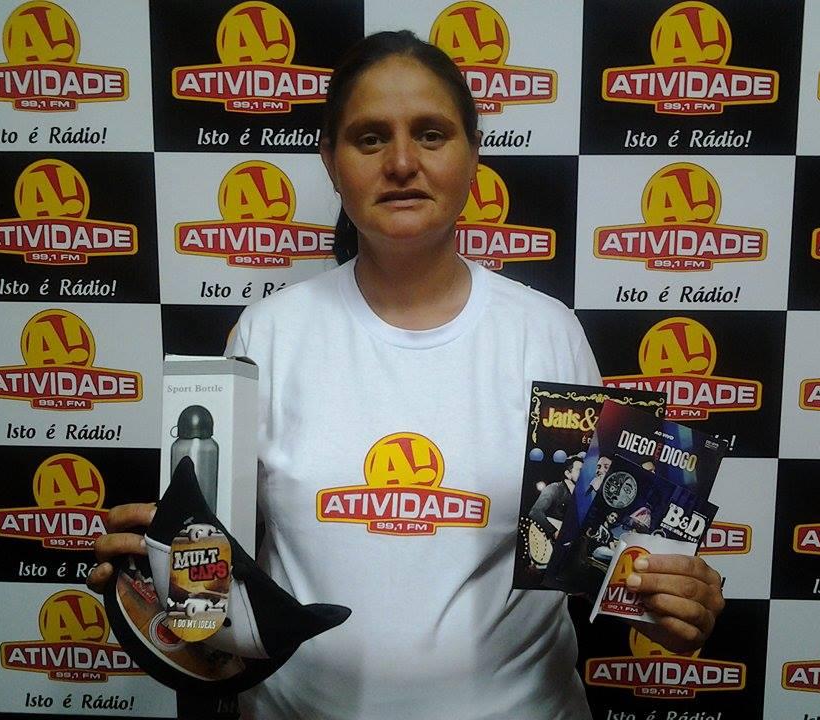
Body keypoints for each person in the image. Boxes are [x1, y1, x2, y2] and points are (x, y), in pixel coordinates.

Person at [89, 30, 724, 720]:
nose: (400, 163)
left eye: (430, 134)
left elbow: (612, 560)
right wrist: (157, 589)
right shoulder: (267, 333)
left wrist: (671, 599)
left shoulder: (547, 333)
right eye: (369, 139)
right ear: (330, 161)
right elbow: (214, 583)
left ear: (473, 154)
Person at [529, 455, 583, 539]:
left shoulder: (581, 496)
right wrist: (553, 531)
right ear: (568, 474)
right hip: (547, 541)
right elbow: (535, 512)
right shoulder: (554, 488)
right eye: (580, 470)